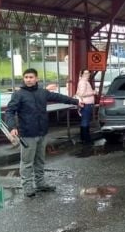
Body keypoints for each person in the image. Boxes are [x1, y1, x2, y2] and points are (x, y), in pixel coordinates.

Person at [5, 68, 83, 197]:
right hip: (27, 133)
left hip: (42, 132)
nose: (28, 80)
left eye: (31, 77)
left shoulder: (42, 92)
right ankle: (27, 187)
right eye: (26, 77)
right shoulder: (19, 94)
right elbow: (10, 111)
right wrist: (12, 126)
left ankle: (40, 184)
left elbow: (59, 97)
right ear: (24, 79)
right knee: (27, 162)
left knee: (40, 160)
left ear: (36, 79)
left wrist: (76, 102)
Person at [75, 69, 97, 145]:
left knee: (85, 121)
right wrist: (93, 92)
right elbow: (82, 94)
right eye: (85, 73)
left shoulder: (84, 81)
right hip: (86, 104)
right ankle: (86, 139)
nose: (88, 74)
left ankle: (83, 138)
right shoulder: (83, 82)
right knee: (85, 121)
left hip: (86, 104)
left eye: (88, 73)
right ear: (81, 74)